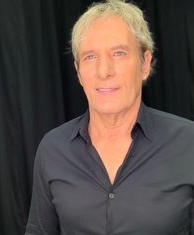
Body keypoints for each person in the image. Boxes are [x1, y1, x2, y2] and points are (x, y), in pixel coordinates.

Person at [25, 0, 194, 234]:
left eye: (119, 53)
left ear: (145, 63)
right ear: (78, 71)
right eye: (91, 57)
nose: (104, 71)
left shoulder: (188, 143)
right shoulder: (53, 149)